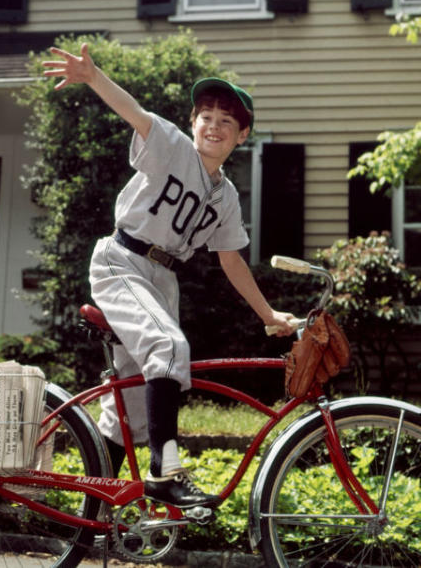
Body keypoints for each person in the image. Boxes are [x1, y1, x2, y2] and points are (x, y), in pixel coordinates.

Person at [43, 42, 297, 509]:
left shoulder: (225, 198)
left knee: (130, 411)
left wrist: (269, 313)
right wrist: (94, 76)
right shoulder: (173, 147)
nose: (214, 126)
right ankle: (165, 472)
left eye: (227, 121)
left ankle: (89, 523)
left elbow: (232, 260)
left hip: (161, 280)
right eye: (206, 116)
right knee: (169, 346)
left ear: (242, 136)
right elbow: (135, 112)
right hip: (122, 262)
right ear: (192, 122)